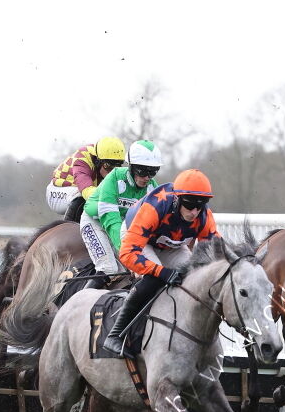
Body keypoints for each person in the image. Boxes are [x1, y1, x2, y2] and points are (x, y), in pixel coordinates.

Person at [101, 169, 218, 356]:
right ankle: (116, 335)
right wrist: (161, 272)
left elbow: (215, 256)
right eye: (189, 205)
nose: (194, 212)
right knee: (155, 279)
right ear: (178, 199)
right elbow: (127, 254)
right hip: (140, 241)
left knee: (195, 277)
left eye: (200, 206)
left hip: (171, 244)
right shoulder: (155, 206)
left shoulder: (204, 217)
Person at [80, 139, 163, 282]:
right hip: (96, 221)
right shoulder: (114, 177)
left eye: (152, 172)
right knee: (110, 269)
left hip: (123, 226)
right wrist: (128, 256)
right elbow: (111, 220)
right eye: (142, 171)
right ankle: (80, 301)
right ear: (131, 166)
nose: (147, 178)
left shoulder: (152, 188)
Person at [45, 136, 125, 221]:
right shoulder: (82, 159)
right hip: (57, 192)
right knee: (81, 197)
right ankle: (67, 229)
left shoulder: (102, 155)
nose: (112, 172)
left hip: (77, 191)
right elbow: (87, 191)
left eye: (117, 166)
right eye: (108, 166)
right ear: (98, 161)